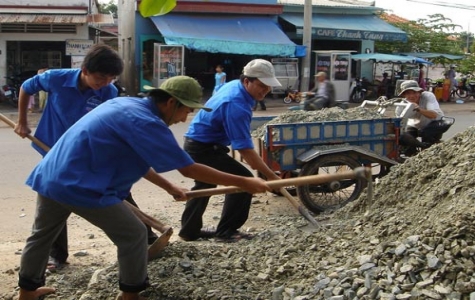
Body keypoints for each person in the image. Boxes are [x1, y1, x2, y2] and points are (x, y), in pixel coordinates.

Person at [16, 76, 272, 300]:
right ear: (171, 103)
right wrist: (245, 181)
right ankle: (131, 294)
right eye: (186, 111)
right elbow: (189, 168)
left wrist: (168, 186)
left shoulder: (126, 104)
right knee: (135, 235)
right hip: (81, 187)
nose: (185, 118)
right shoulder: (147, 122)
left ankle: (26, 293)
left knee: (41, 235)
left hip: (52, 176)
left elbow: (138, 160)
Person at [13, 44, 158, 272]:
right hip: (55, 151)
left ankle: (145, 237)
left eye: (111, 78)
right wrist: (22, 121)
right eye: (101, 77)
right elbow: (25, 87)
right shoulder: (55, 79)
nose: (105, 83)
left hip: (89, 151)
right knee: (56, 201)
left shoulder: (108, 92)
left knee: (116, 189)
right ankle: (57, 256)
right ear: (85, 70)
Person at [179, 59, 282, 243]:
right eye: (262, 85)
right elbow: (245, 150)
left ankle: (189, 231)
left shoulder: (235, 86)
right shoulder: (236, 104)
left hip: (199, 142)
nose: (265, 90)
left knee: (205, 186)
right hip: (203, 148)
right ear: (247, 81)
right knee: (244, 183)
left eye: (269, 86)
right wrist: (270, 176)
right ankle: (227, 231)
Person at [395, 80, 446, 156]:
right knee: (404, 139)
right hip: (415, 125)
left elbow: (433, 115)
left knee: (427, 136)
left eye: (414, 92)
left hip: (435, 122)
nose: (412, 96)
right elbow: (399, 125)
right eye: (408, 93)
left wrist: (418, 109)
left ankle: (428, 150)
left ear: (420, 92)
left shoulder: (428, 96)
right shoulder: (401, 106)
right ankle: (415, 152)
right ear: (404, 95)